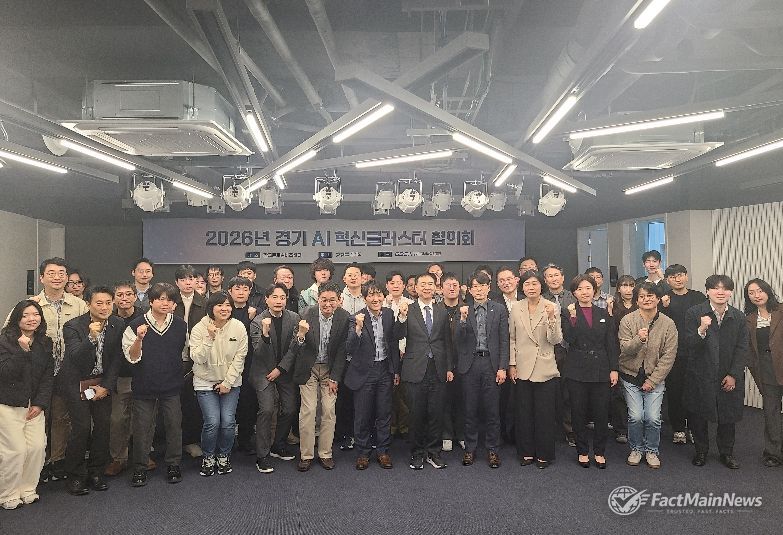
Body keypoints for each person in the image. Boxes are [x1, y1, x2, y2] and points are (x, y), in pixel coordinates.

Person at [28, 257, 89, 483]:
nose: (57, 277)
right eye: (51, 273)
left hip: (68, 371)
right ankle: (38, 462)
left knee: (61, 417)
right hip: (38, 373)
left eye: (61, 273)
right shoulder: (30, 305)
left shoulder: (79, 305)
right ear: (41, 277)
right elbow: (11, 333)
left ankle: (57, 460)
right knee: (38, 418)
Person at [122, 283, 188, 487]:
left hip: (171, 385)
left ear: (174, 304)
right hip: (144, 386)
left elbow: (184, 353)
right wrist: (139, 339)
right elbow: (132, 358)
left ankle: (173, 464)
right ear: (151, 301)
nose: (165, 303)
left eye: (169, 299)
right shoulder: (135, 325)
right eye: (160, 299)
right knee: (142, 429)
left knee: (174, 426)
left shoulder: (180, 325)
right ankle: (140, 467)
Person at [60, 286, 123, 495]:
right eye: (99, 303)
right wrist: (91, 338)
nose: (104, 307)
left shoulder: (117, 324)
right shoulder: (73, 326)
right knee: (81, 428)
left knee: (103, 426)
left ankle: (96, 471)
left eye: (108, 303)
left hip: (101, 382)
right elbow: (75, 356)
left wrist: (106, 386)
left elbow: (116, 359)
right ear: (88, 304)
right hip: (76, 383)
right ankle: (75, 476)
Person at [685, 275, 748, 469]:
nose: (720, 292)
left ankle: (726, 453)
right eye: (715, 288)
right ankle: (701, 451)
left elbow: (742, 348)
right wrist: (702, 329)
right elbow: (689, 345)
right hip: (700, 373)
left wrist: (734, 374)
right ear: (707, 291)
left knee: (728, 415)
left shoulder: (739, 316)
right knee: (699, 415)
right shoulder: (694, 313)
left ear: (731, 292)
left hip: (727, 373)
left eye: (725, 288)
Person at [395, 272, 455, 470]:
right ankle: (417, 453)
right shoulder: (407, 309)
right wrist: (401, 317)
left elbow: (447, 342)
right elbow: (398, 335)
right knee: (416, 414)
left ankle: (434, 452)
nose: (427, 287)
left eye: (430, 284)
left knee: (436, 413)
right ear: (416, 288)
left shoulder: (441, 311)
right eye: (423, 284)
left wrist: (449, 368)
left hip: (438, 368)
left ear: (436, 287)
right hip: (415, 369)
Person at [0, 300, 53, 509]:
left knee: (37, 448)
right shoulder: (5, 340)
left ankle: (28, 489)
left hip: (34, 406)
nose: (32, 319)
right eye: (26, 315)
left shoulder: (45, 342)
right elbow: (5, 373)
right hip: (8, 405)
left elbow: (47, 376)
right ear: (17, 319)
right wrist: (22, 351)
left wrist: (40, 403)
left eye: (36, 314)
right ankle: (8, 494)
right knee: (15, 451)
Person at [618, 282, 677, 469]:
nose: (646, 299)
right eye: (642, 296)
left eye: (650, 296)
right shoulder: (627, 320)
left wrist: (653, 381)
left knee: (652, 418)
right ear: (637, 300)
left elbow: (669, 356)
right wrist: (639, 339)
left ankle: (651, 450)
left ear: (658, 299)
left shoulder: (668, 324)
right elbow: (624, 349)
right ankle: (636, 449)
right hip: (630, 376)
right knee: (636, 416)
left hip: (655, 378)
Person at [561, 275, 618, 469]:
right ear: (574, 293)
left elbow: (611, 342)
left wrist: (613, 369)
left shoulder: (603, 312)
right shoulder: (568, 312)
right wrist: (573, 317)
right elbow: (569, 338)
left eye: (588, 288)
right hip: (577, 369)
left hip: (601, 368)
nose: (584, 292)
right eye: (580, 289)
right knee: (578, 412)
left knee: (601, 412)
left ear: (594, 290)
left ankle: (600, 451)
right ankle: (582, 451)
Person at [292, 281, 349, 472]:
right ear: (318, 299)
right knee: (308, 411)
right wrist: (301, 335)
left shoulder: (344, 317)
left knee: (329, 410)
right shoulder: (305, 314)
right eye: (324, 300)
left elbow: (342, 350)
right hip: (308, 368)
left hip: (330, 370)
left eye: (332, 300)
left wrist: (335, 377)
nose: (328, 304)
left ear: (339, 300)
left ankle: (325, 453)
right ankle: (306, 455)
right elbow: (295, 348)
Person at [189, 292, 247, 477]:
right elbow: (197, 358)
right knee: (213, 421)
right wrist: (209, 338)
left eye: (228, 305)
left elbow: (240, 357)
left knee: (228, 422)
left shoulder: (238, 327)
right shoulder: (199, 328)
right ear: (211, 308)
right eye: (220, 305)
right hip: (205, 382)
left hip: (230, 382)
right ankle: (208, 457)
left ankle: (224, 455)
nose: (225, 309)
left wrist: (228, 382)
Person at [509, 271, 562, 468]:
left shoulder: (551, 306)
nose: (531, 287)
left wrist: (551, 318)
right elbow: (512, 338)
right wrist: (512, 364)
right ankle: (526, 452)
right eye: (527, 284)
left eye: (535, 283)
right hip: (522, 366)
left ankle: (544, 454)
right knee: (524, 413)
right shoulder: (516, 307)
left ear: (542, 285)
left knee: (544, 414)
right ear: (522, 287)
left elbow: (555, 340)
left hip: (544, 366)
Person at [346, 282, 401, 470]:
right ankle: (363, 453)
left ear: (384, 297)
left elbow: (393, 343)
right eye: (371, 295)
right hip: (364, 372)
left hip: (385, 369)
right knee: (362, 414)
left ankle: (383, 451)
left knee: (384, 413)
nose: (375, 299)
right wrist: (358, 328)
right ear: (365, 298)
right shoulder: (355, 317)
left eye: (378, 295)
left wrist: (395, 370)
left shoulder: (389, 314)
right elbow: (349, 348)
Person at [456, 272, 509, 468]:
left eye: (482, 286)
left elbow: (504, 340)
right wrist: (462, 320)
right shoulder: (464, 310)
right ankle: (470, 449)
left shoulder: (499, 309)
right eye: (475, 287)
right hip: (470, 365)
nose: (479, 290)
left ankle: (493, 449)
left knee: (492, 410)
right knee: (470, 409)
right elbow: (458, 339)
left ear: (489, 288)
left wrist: (502, 367)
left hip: (491, 364)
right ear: (470, 290)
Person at [249, 284, 300, 474]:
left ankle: (278, 445)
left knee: (290, 408)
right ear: (267, 299)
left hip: (283, 370)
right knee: (267, 409)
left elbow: (294, 348)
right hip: (263, 371)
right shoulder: (257, 321)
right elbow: (258, 352)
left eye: (282, 297)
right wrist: (264, 334)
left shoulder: (294, 318)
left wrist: (280, 369)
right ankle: (262, 455)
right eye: (275, 297)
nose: (279, 301)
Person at [660, 264, 706, 445]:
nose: (677, 279)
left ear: (686, 276)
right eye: (673, 277)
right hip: (673, 353)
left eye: (680, 275)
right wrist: (664, 307)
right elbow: (658, 323)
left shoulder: (698, 297)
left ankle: (694, 428)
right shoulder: (664, 299)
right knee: (675, 392)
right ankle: (678, 428)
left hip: (696, 351)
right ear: (667, 280)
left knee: (695, 392)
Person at [105, 282, 146, 477]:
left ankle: (143, 455)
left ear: (135, 297)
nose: (124, 298)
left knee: (143, 418)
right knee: (118, 419)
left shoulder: (144, 318)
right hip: (119, 376)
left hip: (142, 375)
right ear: (114, 299)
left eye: (128, 294)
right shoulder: (109, 320)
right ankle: (118, 458)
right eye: (119, 295)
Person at [744, 278, 783, 467]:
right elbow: (748, 350)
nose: (756, 295)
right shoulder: (749, 319)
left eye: (759, 291)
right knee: (771, 413)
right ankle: (773, 453)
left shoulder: (781, 310)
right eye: (751, 293)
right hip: (766, 371)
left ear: (767, 291)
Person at [172, 264, 206, 459]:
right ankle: (172, 442)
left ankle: (190, 441)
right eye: (183, 279)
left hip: (196, 358)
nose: (188, 282)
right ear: (177, 282)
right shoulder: (169, 301)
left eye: (191, 279)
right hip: (173, 357)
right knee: (172, 403)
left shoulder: (204, 302)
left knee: (192, 402)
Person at [541, 263, 576, 447]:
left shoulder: (573, 297)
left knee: (569, 393)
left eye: (556, 275)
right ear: (545, 280)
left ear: (562, 277)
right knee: (549, 393)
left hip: (570, 350)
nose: (553, 279)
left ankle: (570, 430)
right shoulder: (540, 299)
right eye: (549, 276)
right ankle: (550, 431)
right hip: (548, 350)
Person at [228, 277, 259, 455]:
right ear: (230, 291)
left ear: (250, 292)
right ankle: (226, 441)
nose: (241, 292)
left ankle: (245, 440)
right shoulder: (224, 310)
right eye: (237, 289)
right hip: (227, 364)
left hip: (249, 364)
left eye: (245, 289)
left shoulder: (256, 312)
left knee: (248, 402)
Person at [335, 263, 364, 452]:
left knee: (362, 399)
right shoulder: (338, 298)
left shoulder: (368, 297)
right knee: (343, 399)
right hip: (342, 355)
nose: (353, 277)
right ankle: (345, 434)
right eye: (349, 275)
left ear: (362, 278)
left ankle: (360, 434)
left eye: (356, 274)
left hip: (363, 356)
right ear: (344, 278)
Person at [383, 271, 413, 440]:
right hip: (386, 355)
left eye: (399, 283)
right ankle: (391, 426)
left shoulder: (411, 304)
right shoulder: (380, 303)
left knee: (404, 393)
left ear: (404, 286)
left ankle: (404, 426)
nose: (395, 286)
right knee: (388, 393)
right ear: (387, 285)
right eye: (392, 283)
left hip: (406, 354)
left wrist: (404, 348)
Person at [608, 275, 637, 444]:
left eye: (631, 285)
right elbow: (610, 333)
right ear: (618, 288)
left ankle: (637, 428)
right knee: (618, 393)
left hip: (638, 353)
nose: (628, 289)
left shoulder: (640, 305)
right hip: (618, 352)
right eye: (624, 286)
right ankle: (620, 429)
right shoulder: (613, 306)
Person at [439, 273, 465, 451]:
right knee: (443, 399)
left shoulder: (467, 308)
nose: (452, 288)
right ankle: (446, 434)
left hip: (464, 361)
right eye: (448, 285)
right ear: (441, 289)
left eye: (455, 285)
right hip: (441, 361)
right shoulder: (436, 309)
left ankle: (462, 434)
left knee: (463, 399)